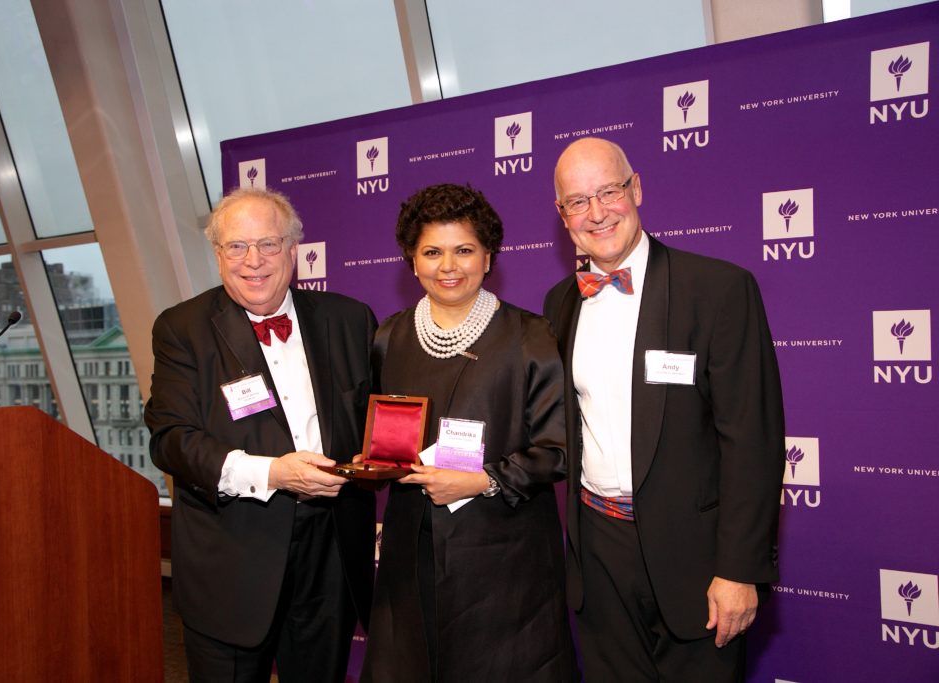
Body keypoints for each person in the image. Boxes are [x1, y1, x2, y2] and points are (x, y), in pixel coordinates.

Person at [543, 137, 785, 681]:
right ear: (562, 216)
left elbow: (753, 441)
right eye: (577, 201)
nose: (597, 212)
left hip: (696, 564)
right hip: (599, 557)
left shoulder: (719, 290)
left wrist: (739, 571)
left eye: (609, 192)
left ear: (637, 189)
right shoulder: (559, 304)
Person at [145, 187, 377, 682]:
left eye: (269, 245)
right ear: (218, 254)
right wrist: (273, 472)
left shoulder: (349, 319)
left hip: (330, 553)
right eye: (236, 247)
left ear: (294, 250)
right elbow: (170, 438)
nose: (253, 261)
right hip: (233, 559)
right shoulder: (182, 328)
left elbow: (379, 422)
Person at [361, 184, 576, 683]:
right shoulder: (388, 336)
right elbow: (382, 430)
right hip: (410, 552)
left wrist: (484, 480)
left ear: (488, 258)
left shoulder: (531, 336)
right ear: (411, 262)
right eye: (431, 252)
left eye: (464, 250)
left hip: (506, 554)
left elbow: (559, 447)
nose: (448, 266)